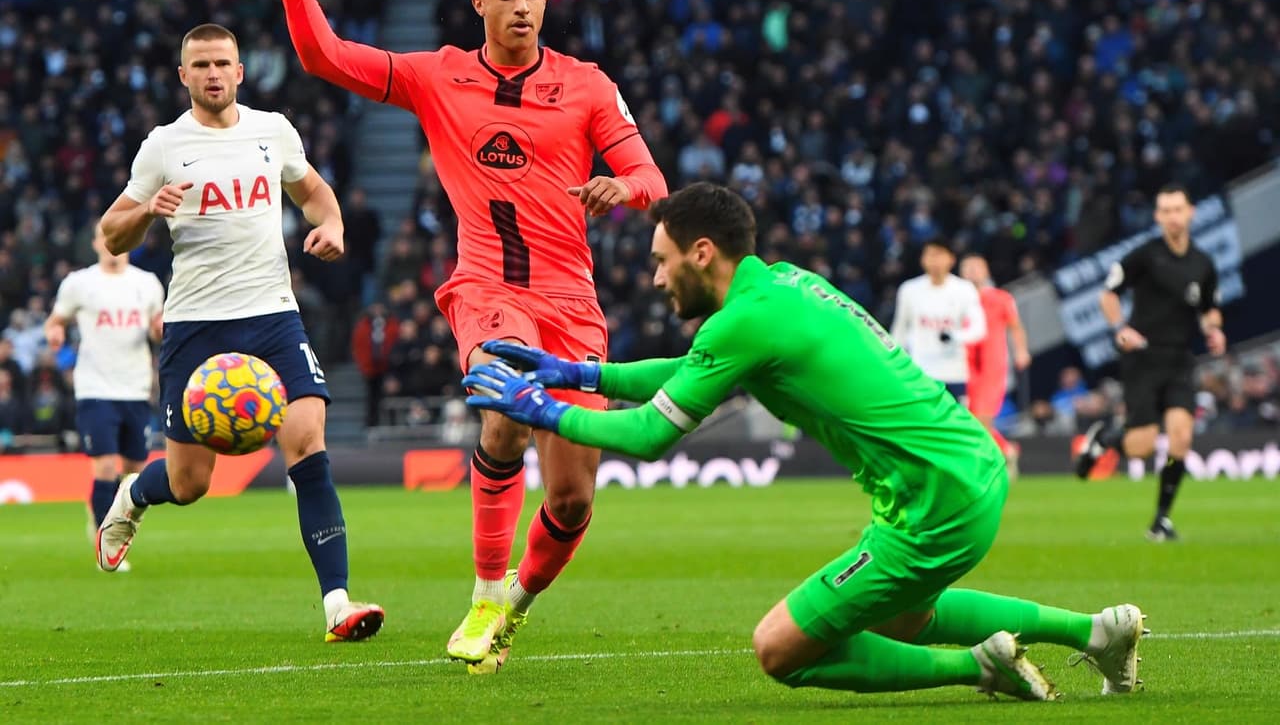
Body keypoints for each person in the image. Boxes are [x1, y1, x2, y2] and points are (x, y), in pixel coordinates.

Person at [464, 183, 1147, 702]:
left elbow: (647, 435)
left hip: (931, 500)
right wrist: (579, 372)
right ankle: (1099, 630)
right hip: (970, 464)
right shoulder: (783, 285)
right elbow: (688, 368)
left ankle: (980, 665)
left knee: (779, 649)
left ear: (702, 253)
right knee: (911, 615)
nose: (656, 277)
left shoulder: (743, 324)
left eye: (661, 261)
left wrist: (540, 409)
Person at [266, 0, 668, 672]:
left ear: (548, 2)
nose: (522, 5)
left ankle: (509, 608)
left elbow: (653, 175)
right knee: (503, 411)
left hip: (571, 302)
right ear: (478, 3)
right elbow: (326, 57)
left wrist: (625, 189)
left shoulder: (586, 86)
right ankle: (485, 587)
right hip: (487, 287)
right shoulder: (437, 75)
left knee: (574, 495)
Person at [96, 23, 384, 642]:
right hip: (196, 324)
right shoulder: (164, 145)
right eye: (199, 65)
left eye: (222, 63)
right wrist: (148, 209)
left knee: (307, 443)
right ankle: (133, 497)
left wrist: (332, 225)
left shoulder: (271, 130)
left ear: (241, 70)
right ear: (183, 75)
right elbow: (112, 232)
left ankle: (337, 603)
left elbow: (312, 192)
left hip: (272, 315)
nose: (212, 74)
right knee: (189, 483)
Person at [1075, 183, 1226, 541]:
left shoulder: (1203, 263)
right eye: (1165, 211)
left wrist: (1214, 330)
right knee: (1142, 445)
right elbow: (1108, 293)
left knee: (1181, 437)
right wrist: (1118, 327)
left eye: (1178, 209)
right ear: (1157, 217)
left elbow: (1208, 309)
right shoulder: (1144, 255)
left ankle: (1161, 519)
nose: (1173, 217)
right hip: (1142, 358)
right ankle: (1107, 437)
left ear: (1190, 212)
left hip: (1179, 360)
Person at [44, 221, 165, 568]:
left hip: (137, 387)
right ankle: (104, 542)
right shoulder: (79, 283)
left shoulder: (147, 284)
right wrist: (55, 334)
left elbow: (158, 329)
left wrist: (158, 330)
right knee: (106, 466)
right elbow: (56, 321)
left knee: (131, 471)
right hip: (95, 387)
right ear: (97, 242)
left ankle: (105, 519)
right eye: (105, 236)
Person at [958, 253, 1030, 477]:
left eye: (976, 267)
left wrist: (1021, 350)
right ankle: (1005, 450)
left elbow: (1016, 327)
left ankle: (987, 463)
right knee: (969, 417)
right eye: (967, 267)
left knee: (982, 416)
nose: (971, 271)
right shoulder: (955, 299)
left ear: (986, 271)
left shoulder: (1001, 298)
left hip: (992, 365)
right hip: (962, 365)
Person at [890, 239, 987, 402]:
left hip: (954, 372)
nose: (934, 260)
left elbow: (979, 328)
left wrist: (955, 336)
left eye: (939, 255)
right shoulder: (909, 289)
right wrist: (894, 364)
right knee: (921, 425)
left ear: (951, 259)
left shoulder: (964, 289)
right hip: (921, 372)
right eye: (930, 255)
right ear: (922, 259)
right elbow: (899, 330)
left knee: (957, 425)